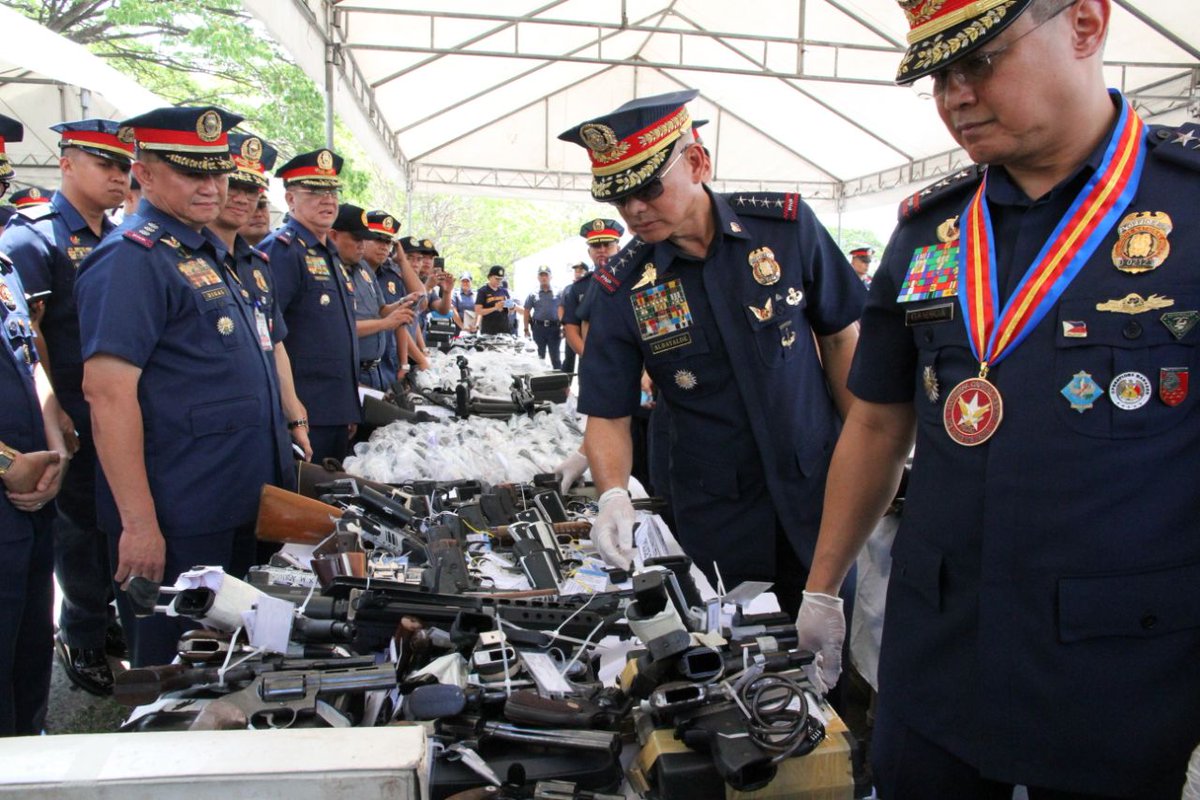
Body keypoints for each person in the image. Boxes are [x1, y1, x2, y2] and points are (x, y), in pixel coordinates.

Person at [796, 1, 1200, 796]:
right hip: (937, 654)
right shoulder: (929, 232)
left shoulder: (1188, 208)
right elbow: (877, 421)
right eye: (938, 76)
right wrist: (823, 582)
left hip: (1116, 668)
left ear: (1085, 24)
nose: (955, 96)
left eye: (978, 60)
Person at [560, 90, 864, 616]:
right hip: (718, 513)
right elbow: (607, 412)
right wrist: (612, 494)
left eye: (647, 188)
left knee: (827, 642)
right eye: (617, 197)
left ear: (697, 162)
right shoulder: (622, 286)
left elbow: (840, 338)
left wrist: (867, 450)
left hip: (818, 490)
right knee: (734, 658)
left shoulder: (785, 231)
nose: (633, 209)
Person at [75, 106, 291, 667]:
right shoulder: (132, 260)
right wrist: (139, 524)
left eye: (217, 172)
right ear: (144, 173)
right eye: (192, 173)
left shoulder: (207, 253)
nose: (212, 187)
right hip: (182, 513)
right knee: (175, 673)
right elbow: (107, 394)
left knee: (233, 662)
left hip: (239, 499)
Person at [0, 118, 134, 695]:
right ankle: (81, 634)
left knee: (110, 527)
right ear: (66, 163)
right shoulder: (34, 238)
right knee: (78, 534)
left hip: (108, 416)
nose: (116, 175)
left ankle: (100, 623)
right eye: (103, 162)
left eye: (123, 165)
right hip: (67, 419)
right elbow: (32, 340)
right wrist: (55, 419)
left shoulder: (118, 236)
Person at [0, 112, 69, 736]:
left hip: (33, 487)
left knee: (27, 647)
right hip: (10, 476)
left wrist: (53, 440)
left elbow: (29, 357)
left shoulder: (3, 265)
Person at [211, 132, 311, 465]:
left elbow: (274, 341)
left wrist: (293, 411)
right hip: (213, 442)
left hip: (265, 428)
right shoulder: (173, 259)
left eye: (252, 190)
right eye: (233, 186)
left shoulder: (256, 264)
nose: (242, 198)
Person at [259, 148, 359, 464]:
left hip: (334, 408)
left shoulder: (328, 253)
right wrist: (292, 411)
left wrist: (347, 407)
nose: (327, 200)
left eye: (331, 191)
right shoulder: (283, 251)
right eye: (314, 191)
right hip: (303, 410)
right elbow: (268, 336)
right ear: (290, 200)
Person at [337, 205, 414, 391]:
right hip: (351, 369)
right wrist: (387, 323)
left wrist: (404, 303)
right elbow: (341, 328)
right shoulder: (334, 272)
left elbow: (381, 310)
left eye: (388, 242)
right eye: (376, 239)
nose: (384, 247)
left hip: (377, 370)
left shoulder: (364, 271)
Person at [562, 219, 624, 374]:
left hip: (631, 363)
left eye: (608, 244)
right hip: (593, 366)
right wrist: (590, 358)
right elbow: (570, 328)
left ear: (619, 248)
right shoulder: (579, 288)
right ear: (589, 252)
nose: (602, 250)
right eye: (596, 245)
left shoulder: (636, 282)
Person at [524, 266, 562, 369]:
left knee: (556, 357)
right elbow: (526, 311)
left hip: (554, 329)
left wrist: (564, 326)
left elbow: (563, 309)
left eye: (546, 275)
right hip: (538, 329)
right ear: (538, 278)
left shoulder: (559, 292)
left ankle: (560, 383)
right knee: (539, 357)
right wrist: (526, 329)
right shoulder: (533, 293)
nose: (544, 278)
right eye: (541, 275)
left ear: (551, 277)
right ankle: (539, 382)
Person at [474, 265, 512, 336]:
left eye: (501, 279)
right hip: (489, 331)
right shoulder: (482, 291)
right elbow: (478, 311)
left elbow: (511, 310)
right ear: (490, 277)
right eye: (497, 278)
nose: (499, 281)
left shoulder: (504, 291)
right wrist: (495, 308)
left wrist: (510, 307)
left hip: (505, 329)